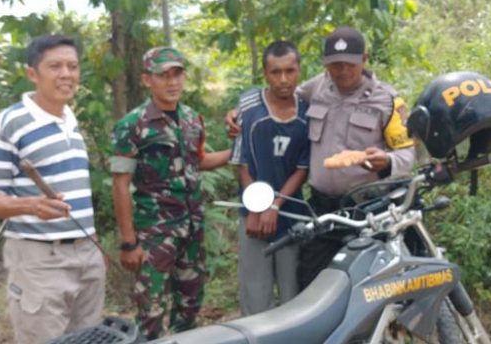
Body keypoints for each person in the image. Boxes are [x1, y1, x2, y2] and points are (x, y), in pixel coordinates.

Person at [226, 26, 416, 289]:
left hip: (368, 209)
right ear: (326, 66)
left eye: (349, 63)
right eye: (335, 65)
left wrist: (388, 161)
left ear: (364, 59)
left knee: (369, 286)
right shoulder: (317, 87)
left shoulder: (388, 100)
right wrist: (238, 112)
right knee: (311, 286)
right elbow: (278, 97)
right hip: (323, 209)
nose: (343, 71)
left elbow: (408, 151)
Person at [0, 35, 105, 344]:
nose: (66, 74)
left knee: (89, 340)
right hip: (39, 261)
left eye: (72, 66)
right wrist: (32, 206)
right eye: (55, 66)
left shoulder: (70, 119)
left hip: (87, 253)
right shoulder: (11, 123)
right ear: (33, 73)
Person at [110, 47, 231, 339]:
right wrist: (129, 243)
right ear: (147, 80)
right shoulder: (132, 125)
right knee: (150, 313)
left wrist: (236, 152)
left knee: (189, 308)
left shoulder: (191, 119)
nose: (172, 82)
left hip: (192, 229)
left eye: (177, 74)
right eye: (163, 75)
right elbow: (120, 184)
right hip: (155, 234)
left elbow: (197, 162)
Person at [230, 41, 310, 315]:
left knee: (294, 297)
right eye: (276, 72)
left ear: (299, 70)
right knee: (256, 295)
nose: (284, 79)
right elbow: (241, 162)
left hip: (292, 215)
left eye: (290, 70)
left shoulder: (308, 111)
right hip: (253, 214)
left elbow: (303, 167)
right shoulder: (250, 105)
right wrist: (257, 207)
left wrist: (275, 206)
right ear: (265, 73)